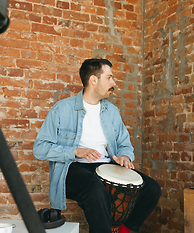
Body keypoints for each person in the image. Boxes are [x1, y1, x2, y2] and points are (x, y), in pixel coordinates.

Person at [33, 58, 161, 233]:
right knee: (95, 187)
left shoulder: (112, 112)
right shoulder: (61, 109)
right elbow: (40, 148)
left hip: (106, 166)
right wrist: (75, 151)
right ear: (93, 80)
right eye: (109, 77)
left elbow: (124, 144)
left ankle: (125, 230)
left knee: (152, 188)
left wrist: (125, 156)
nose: (113, 83)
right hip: (72, 168)